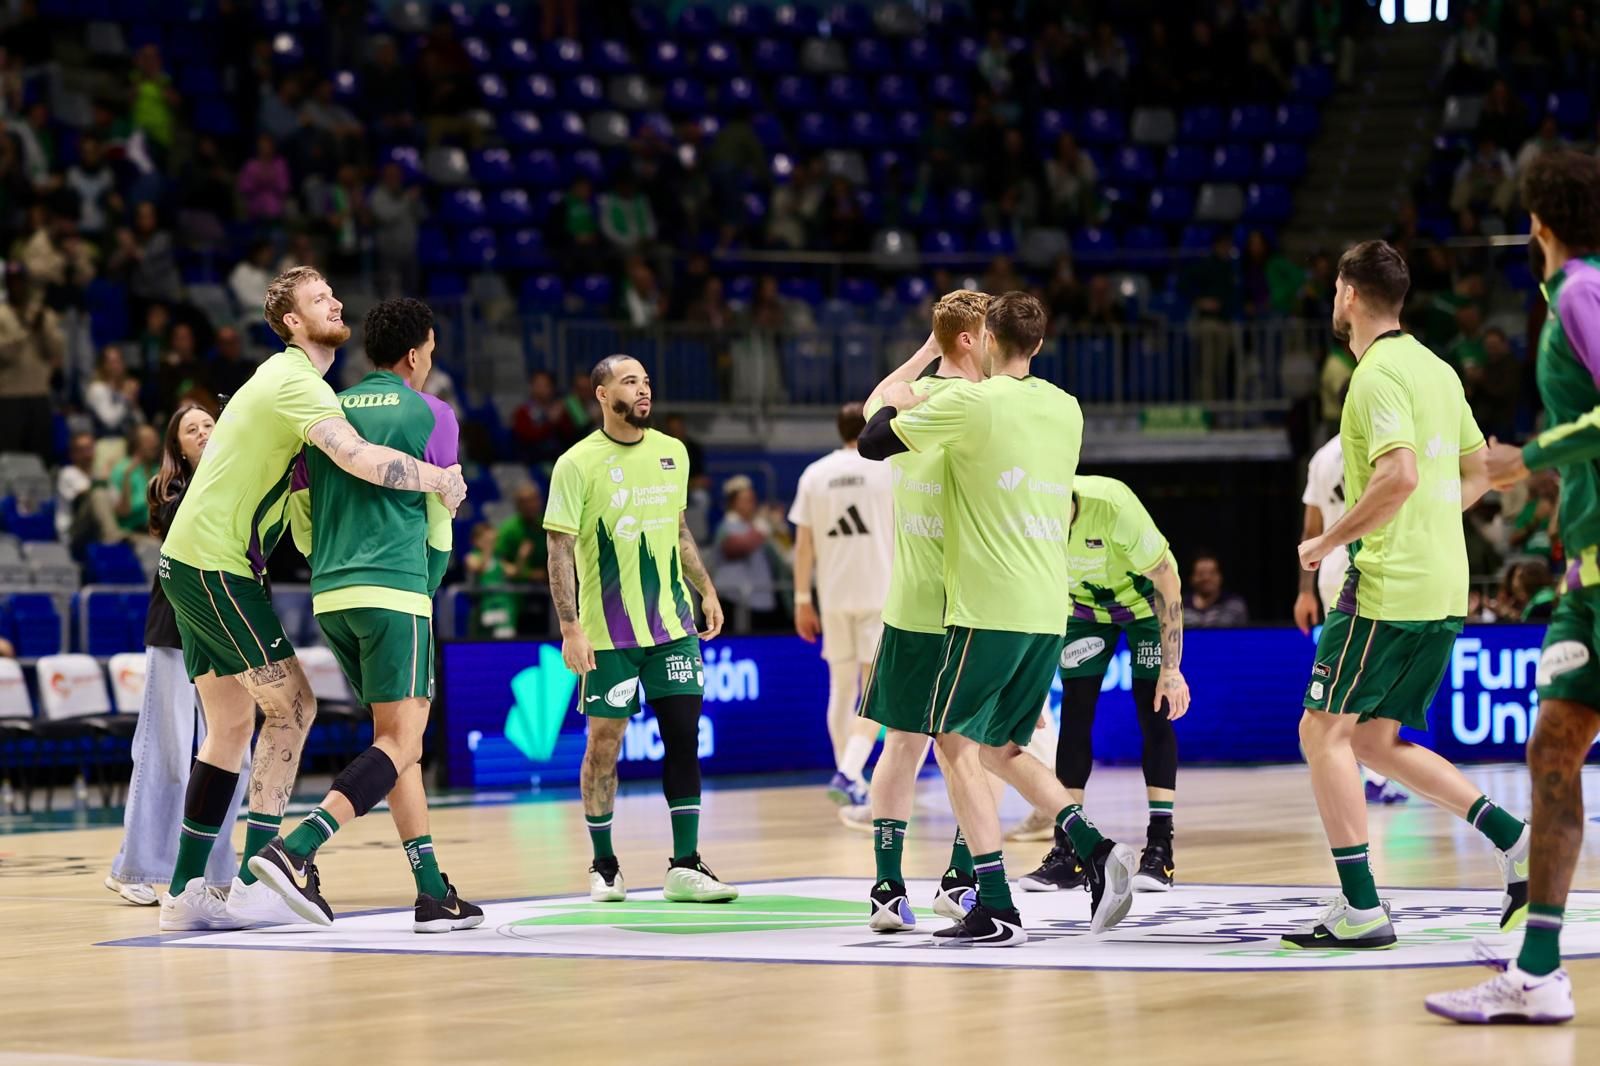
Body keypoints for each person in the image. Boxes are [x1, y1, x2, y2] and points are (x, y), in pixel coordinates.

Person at [154, 266, 467, 932]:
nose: (337, 302)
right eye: (321, 299)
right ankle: (257, 877)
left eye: (334, 294)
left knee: (234, 726)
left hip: (193, 561)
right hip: (216, 563)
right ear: (293, 322)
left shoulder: (291, 382)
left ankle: (185, 893)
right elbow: (354, 456)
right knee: (295, 706)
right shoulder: (297, 381)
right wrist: (439, 478)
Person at [859, 291, 1139, 946]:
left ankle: (994, 901)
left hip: (985, 606)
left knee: (953, 747)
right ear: (1037, 345)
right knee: (1002, 750)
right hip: (1048, 607)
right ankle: (1094, 851)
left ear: (984, 340)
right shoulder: (1066, 408)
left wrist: (920, 378)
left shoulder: (966, 405)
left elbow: (872, 437)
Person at [1289, 240, 1529, 955]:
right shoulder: (1438, 367)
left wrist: (1329, 543)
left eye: (1336, 287)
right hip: (1445, 582)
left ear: (1350, 295)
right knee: (1372, 739)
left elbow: (1396, 477)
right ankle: (1516, 842)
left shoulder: (1376, 375)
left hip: (1387, 584)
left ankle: (1360, 907)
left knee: (1321, 732)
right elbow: (1483, 470)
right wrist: (1429, 518)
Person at [1428, 150, 1600, 1024]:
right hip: (1588, 582)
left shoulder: (1579, 292)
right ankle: (1538, 971)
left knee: (1554, 760)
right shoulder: (1564, 295)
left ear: (1537, 220)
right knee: (1550, 758)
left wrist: (1520, 461)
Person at [259, 298, 482, 932]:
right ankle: (298, 848)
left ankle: (433, 892)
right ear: (416, 354)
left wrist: (327, 562)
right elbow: (440, 511)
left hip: (331, 595)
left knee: (394, 743)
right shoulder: (432, 414)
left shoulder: (328, 410)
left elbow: (301, 509)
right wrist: (427, 585)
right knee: (402, 740)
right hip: (396, 590)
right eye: (431, 352)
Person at [544, 354, 735, 905]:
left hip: (672, 629)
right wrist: (570, 627)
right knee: (604, 746)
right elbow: (559, 550)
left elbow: (678, 532)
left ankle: (686, 863)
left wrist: (706, 588)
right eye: (630, 381)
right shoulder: (576, 463)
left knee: (683, 739)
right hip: (608, 637)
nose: (643, 389)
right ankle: (604, 864)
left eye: (647, 380)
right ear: (602, 394)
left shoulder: (673, 453)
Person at [845, 292, 989, 931]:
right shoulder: (985, 405)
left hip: (910, 604)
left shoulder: (908, 401)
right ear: (970, 339)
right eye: (987, 331)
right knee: (965, 749)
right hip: (966, 604)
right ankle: (959, 882)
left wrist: (929, 349)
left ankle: (886, 889)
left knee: (902, 744)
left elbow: (878, 399)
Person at [105, 404, 255, 910]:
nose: (204, 433)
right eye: (192, 430)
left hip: (229, 625)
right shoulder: (171, 492)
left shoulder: (241, 476)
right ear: (179, 448)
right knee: (165, 753)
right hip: (175, 627)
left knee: (235, 752)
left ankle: (215, 867)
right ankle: (136, 867)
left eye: (210, 424)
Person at [1018, 476, 1192, 895]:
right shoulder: (1026, 513)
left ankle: (1160, 848)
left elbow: (1167, 577)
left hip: (1146, 608)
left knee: (1154, 713)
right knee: (1075, 716)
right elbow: (1031, 597)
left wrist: (1172, 669)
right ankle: (1069, 851)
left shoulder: (1110, 504)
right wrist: (1034, 685)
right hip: (1081, 612)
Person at [1293, 434, 1411, 806]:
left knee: (1349, 672)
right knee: (1374, 673)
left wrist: (1305, 590)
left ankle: (1338, 752)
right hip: (1367, 567)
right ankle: (1369, 770)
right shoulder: (1385, 443)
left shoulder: (1322, 455)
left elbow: (1311, 529)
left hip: (1329, 569)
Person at [787, 402, 894, 810]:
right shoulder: (888, 469)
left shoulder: (815, 473)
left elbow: (803, 546)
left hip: (833, 595)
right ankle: (849, 772)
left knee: (841, 688)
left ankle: (849, 781)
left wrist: (801, 599)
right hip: (879, 592)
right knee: (876, 692)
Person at [713, 476, 784, 632]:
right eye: (745, 500)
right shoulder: (727, 526)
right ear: (732, 503)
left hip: (761, 599)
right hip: (736, 600)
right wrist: (764, 527)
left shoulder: (755, 526)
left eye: (752, 499)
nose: (750, 504)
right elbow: (736, 548)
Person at [108, 423, 161, 539]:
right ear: (136, 445)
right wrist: (127, 477)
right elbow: (122, 511)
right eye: (148, 440)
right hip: (133, 532)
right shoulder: (122, 469)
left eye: (155, 439)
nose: (155, 443)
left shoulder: (157, 470)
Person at [1183, 552, 1249, 626]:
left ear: (1220, 576)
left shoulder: (1235, 605)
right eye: (1200, 574)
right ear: (1191, 578)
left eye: (1212, 573)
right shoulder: (1180, 606)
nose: (1206, 578)